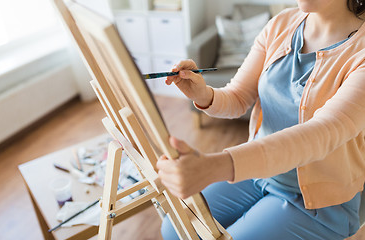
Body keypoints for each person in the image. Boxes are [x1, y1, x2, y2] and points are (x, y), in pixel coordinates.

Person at [156, 0, 365, 239]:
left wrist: (215, 166)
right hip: (257, 172)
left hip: (317, 203)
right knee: (175, 227)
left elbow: (320, 134)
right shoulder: (281, 23)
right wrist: (204, 94)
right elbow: (238, 96)